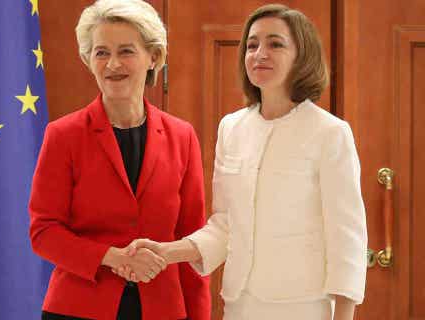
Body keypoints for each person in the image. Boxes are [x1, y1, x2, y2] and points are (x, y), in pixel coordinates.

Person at [118, 4, 367, 320]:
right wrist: (167, 252)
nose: (260, 53)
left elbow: (346, 235)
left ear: (302, 56)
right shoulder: (232, 128)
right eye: (252, 45)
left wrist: (344, 316)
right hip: (240, 304)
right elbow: (226, 225)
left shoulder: (330, 133)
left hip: (304, 306)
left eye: (275, 44)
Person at [28, 0, 210, 319]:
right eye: (101, 52)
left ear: (153, 57)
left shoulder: (182, 137)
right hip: (79, 308)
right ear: (89, 60)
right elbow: (44, 232)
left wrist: (199, 315)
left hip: (164, 309)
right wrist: (113, 257)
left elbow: (192, 241)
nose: (113, 64)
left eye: (126, 51)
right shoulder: (63, 135)